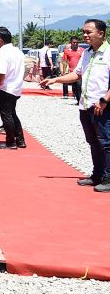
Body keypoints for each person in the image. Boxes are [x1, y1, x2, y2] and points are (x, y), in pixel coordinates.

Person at [40, 20, 110, 191]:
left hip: (103, 106)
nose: (85, 35)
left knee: (106, 143)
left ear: (101, 33)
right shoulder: (86, 53)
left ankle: (108, 178)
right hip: (85, 106)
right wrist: (55, 79)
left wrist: (104, 100)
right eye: (83, 32)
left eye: (89, 32)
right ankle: (98, 174)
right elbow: (77, 74)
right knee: (93, 142)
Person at [0, 26, 26, 150]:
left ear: (0, 40)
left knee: (6, 115)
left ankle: (10, 142)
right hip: (16, 87)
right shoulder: (18, 52)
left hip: (5, 88)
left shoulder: (3, 53)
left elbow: (1, 73)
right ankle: (20, 140)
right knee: (12, 114)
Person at [61, 37, 84, 101]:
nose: (75, 44)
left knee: (79, 85)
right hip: (72, 71)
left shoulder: (82, 50)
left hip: (80, 72)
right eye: (74, 42)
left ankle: (80, 101)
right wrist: (64, 71)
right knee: (74, 87)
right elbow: (65, 61)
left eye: (77, 42)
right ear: (71, 43)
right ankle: (77, 99)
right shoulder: (67, 51)